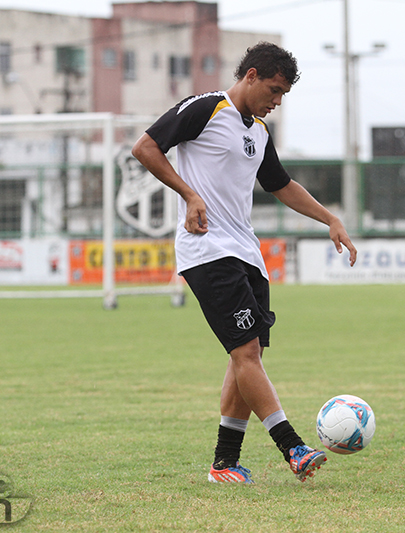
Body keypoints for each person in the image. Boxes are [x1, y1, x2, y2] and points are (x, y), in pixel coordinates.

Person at [131, 42, 357, 484]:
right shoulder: (205, 109)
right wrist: (189, 194)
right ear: (251, 76)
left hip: (247, 254)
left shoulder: (259, 132)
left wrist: (330, 218)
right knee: (246, 352)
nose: (277, 101)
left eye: (283, 95)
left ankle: (225, 463)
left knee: (246, 356)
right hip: (207, 251)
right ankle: (292, 447)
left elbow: (281, 185)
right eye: (274, 90)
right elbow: (145, 148)